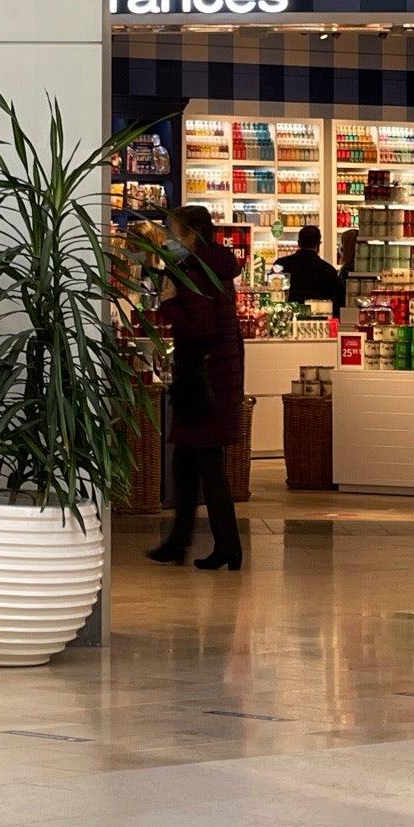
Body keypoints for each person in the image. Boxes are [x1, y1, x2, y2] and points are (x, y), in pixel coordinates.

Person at [147, 204, 245, 572]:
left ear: (189, 235)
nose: (167, 240)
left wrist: (169, 303)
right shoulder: (214, 267)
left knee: (206, 464)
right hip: (216, 377)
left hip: (204, 382)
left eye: (172, 233)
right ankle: (180, 541)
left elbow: (199, 329)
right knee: (188, 461)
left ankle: (227, 546)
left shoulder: (195, 273)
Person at [272, 224, 347, 317]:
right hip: (318, 320)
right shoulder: (327, 270)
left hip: (287, 317)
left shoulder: (281, 265)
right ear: (318, 244)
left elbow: (273, 294)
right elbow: (337, 302)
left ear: (298, 243)